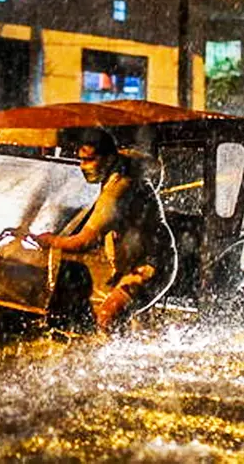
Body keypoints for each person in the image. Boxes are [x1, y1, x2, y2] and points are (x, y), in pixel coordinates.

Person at [35, 129, 165, 333]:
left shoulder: (118, 190)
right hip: (128, 264)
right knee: (121, 323)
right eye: (81, 160)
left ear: (109, 158)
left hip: (150, 267)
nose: (83, 167)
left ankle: (115, 363)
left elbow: (84, 242)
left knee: (106, 319)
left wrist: (48, 240)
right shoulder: (122, 161)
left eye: (89, 160)